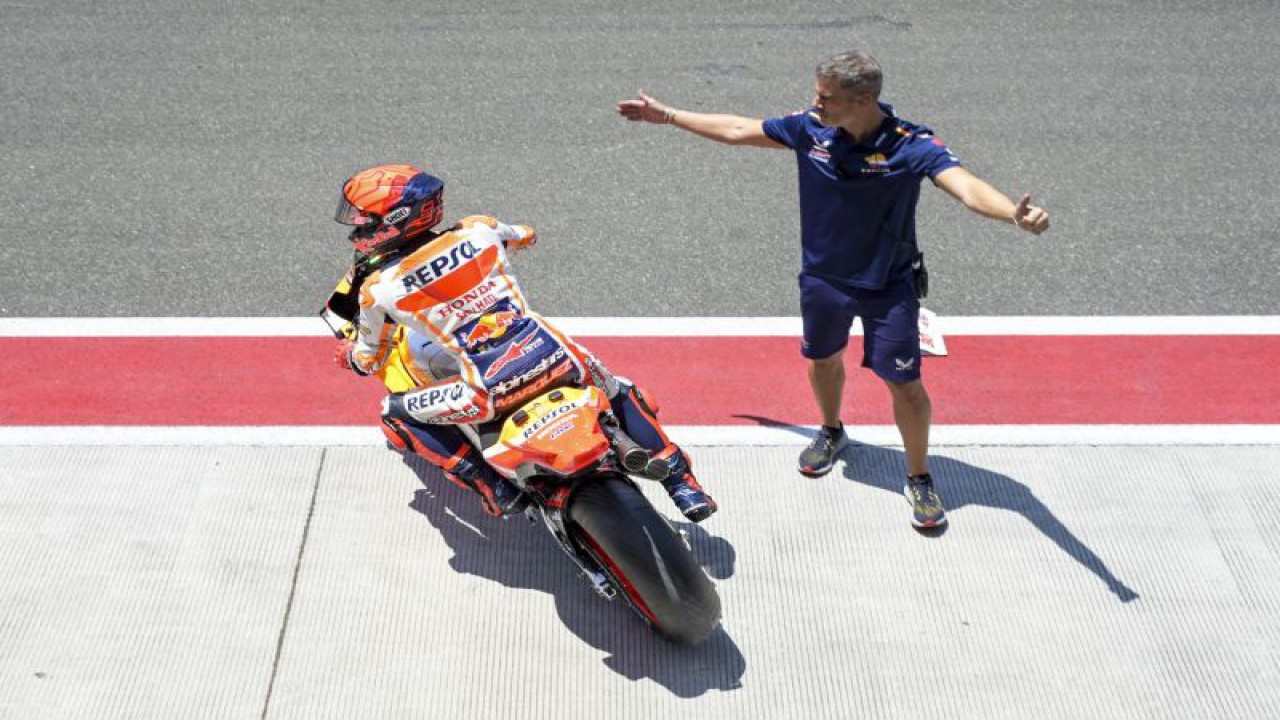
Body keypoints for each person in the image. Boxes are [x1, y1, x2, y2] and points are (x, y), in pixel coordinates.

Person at [616, 50, 1049, 528]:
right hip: (823, 280)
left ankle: (920, 476)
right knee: (823, 360)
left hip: (889, 286)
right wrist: (669, 116)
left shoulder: (911, 144)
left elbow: (965, 187)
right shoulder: (811, 129)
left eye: (826, 97)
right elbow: (739, 130)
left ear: (862, 99)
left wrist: (1012, 213)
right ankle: (831, 429)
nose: (814, 103)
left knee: (904, 384)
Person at [329, 163, 717, 522]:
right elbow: (525, 234)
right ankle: (682, 483)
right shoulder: (479, 229)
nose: (357, 228)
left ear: (395, 221)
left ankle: (493, 488)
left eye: (364, 220)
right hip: (560, 359)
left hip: (488, 391)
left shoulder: (376, 289)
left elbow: (368, 357)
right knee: (621, 391)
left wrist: (350, 358)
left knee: (394, 413)